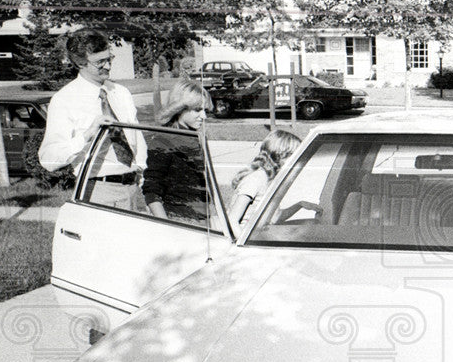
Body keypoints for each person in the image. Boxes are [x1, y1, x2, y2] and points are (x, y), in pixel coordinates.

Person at [38, 30, 146, 210]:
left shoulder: (121, 93)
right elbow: (49, 159)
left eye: (109, 58)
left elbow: (137, 137)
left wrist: (142, 172)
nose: (108, 66)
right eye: (100, 62)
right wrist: (87, 135)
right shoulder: (64, 99)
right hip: (98, 191)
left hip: (135, 188)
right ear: (80, 63)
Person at [142, 79, 213, 221]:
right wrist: (166, 227)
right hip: (179, 220)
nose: (204, 116)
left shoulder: (194, 137)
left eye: (205, 110)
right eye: (198, 110)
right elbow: (152, 190)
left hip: (202, 219)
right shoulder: (163, 140)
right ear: (179, 108)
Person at [227, 129, 301, 227]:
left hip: (258, 235)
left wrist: (300, 205)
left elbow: (273, 218)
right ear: (279, 155)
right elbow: (232, 220)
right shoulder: (256, 179)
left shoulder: (270, 179)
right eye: (294, 156)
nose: (296, 162)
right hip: (243, 237)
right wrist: (243, 242)